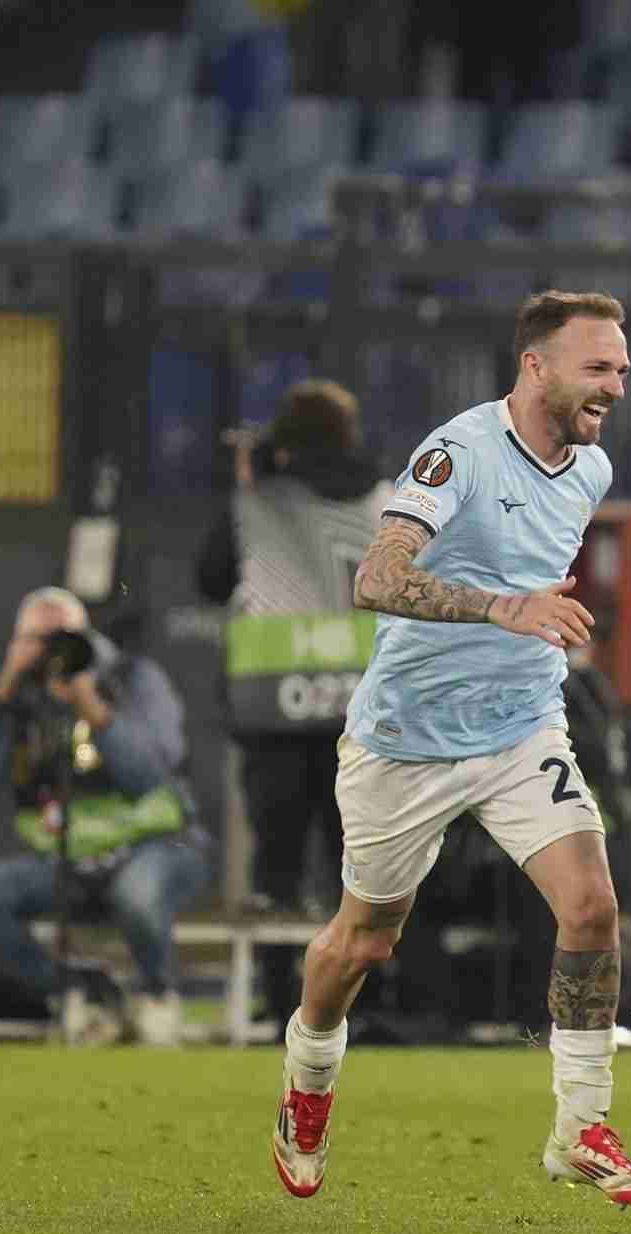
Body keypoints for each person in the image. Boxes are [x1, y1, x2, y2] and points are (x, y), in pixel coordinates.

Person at [269, 290, 631, 1212]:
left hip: (521, 725)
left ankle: (581, 1131)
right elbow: (377, 577)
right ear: (536, 366)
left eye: (620, 370)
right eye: (597, 367)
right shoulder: (460, 452)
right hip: (406, 739)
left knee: (592, 906)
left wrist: (534, 615)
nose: (615, 385)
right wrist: (503, 607)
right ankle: (307, 1079)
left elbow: (529, 578)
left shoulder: (591, 468)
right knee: (364, 939)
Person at [197, 377, 391, 1031]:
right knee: (359, 865)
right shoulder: (386, 498)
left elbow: (210, 579)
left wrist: (248, 477)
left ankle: (281, 997)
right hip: (362, 715)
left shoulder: (257, 501)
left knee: (276, 869)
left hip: (274, 711)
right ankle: (363, 1003)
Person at [0, 587, 211, 1045]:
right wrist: (3, 693)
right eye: (36, 640)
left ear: (86, 636)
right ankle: (82, 993)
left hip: (157, 846)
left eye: (62, 639)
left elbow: (148, 774)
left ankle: (157, 997)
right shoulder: (19, 699)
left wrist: (92, 708)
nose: (51, 653)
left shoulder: (133, 679)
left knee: (137, 895)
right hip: (69, 858)